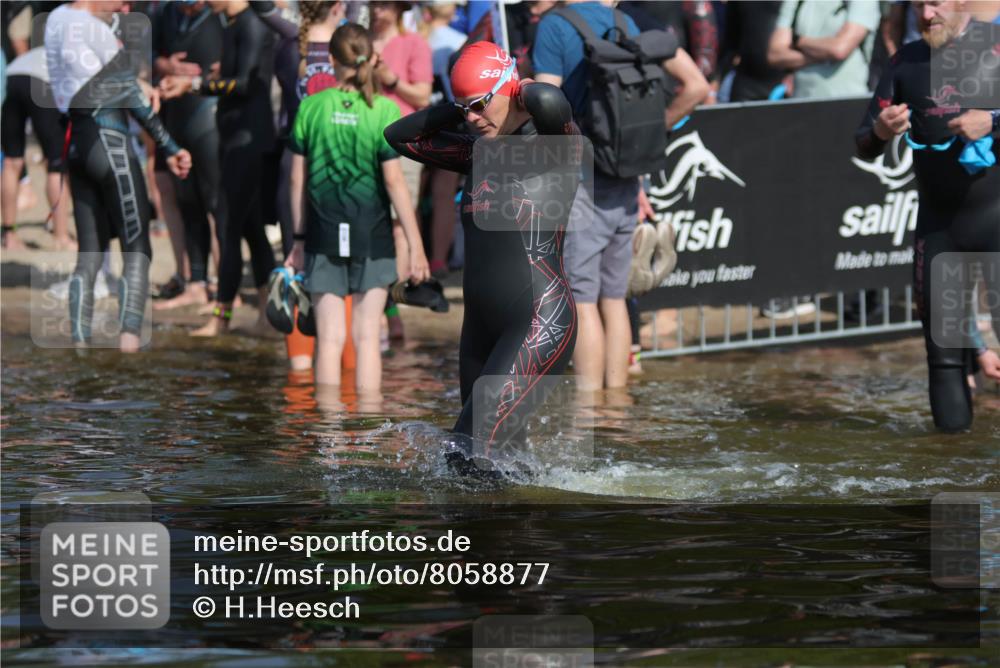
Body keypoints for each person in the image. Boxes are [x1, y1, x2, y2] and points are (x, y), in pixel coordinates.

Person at [385, 41, 582, 474]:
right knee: (499, 463)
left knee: (463, 458)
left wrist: (518, 87)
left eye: (478, 106)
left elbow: (550, 102)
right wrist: (461, 106)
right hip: (479, 328)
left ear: (508, 91)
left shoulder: (554, 147)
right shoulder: (476, 150)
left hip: (539, 322)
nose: (471, 119)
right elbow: (399, 136)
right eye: (463, 110)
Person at [532, 0, 709, 391]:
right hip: (627, 177)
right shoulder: (623, 21)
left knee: (582, 300)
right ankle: (617, 405)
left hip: (580, 179)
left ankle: (588, 410)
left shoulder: (554, 27)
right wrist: (650, 134)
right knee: (613, 297)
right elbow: (697, 85)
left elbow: (545, 106)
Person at [855, 0, 1000, 431]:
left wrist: (991, 120)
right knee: (944, 357)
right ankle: (951, 472)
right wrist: (881, 130)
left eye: (935, 2)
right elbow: (863, 140)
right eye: (918, 4)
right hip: (941, 229)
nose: (926, 13)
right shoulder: (905, 62)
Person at [285, 23, 429, 391]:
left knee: (329, 339)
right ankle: (367, 430)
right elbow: (395, 182)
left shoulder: (311, 108)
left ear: (332, 59)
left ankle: (329, 440)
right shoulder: (382, 110)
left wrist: (298, 240)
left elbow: (297, 180)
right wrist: (416, 246)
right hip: (373, 232)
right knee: (367, 339)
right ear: (370, 59)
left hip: (322, 230)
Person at [45, 0, 192, 353]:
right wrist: (171, 147)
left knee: (89, 256)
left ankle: (80, 347)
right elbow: (129, 96)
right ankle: (128, 349)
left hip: (76, 148)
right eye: (122, 0)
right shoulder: (94, 29)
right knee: (137, 249)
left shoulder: (55, 19)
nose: (126, 8)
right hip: (108, 142)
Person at [161, 0, 277, 337]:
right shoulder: (232, 23)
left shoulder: (252, 23)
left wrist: (195, 85)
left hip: (248, 142)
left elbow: (246, 84)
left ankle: (221, 316)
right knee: (252, 231)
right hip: (234, 137)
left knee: (227, 226)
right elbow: (234, 77)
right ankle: (268, 314)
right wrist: (217, 74)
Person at [150, 0, 223, 310]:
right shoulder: (166, 13)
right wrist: (167, 67)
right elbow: (148, 53)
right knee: (186, 198)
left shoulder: (222, 16)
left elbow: (237, 70)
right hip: (175, 115)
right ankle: (195, 281)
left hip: (207, 115)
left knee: (214, 203)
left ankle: (222, 285)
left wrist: (194, 81)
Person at [369, 0, 433, 340]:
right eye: (374, 5)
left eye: (384, 5)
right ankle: (386, 310)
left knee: (399, 223)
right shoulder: (362, 41)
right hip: (366, 141)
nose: (378, 11)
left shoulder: (414, 44)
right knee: (376, 222)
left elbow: (423, 96)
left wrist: (390, 79)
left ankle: (388, 302)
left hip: (403, 142)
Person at [1, 45, 74, 250]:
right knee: (57, 164)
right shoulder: (77, 53)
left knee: (11, 161)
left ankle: (9, 235)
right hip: (40, 81)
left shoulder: (43, 50)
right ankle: (61, 236)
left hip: (11, 78)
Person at [419, 1, 466, 278]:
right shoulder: (460, 41)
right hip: (452, 121)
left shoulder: (416, 36)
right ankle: (438, 259)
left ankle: (419, 256)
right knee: (444, 195)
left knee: (414, 193)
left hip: (419, 120)